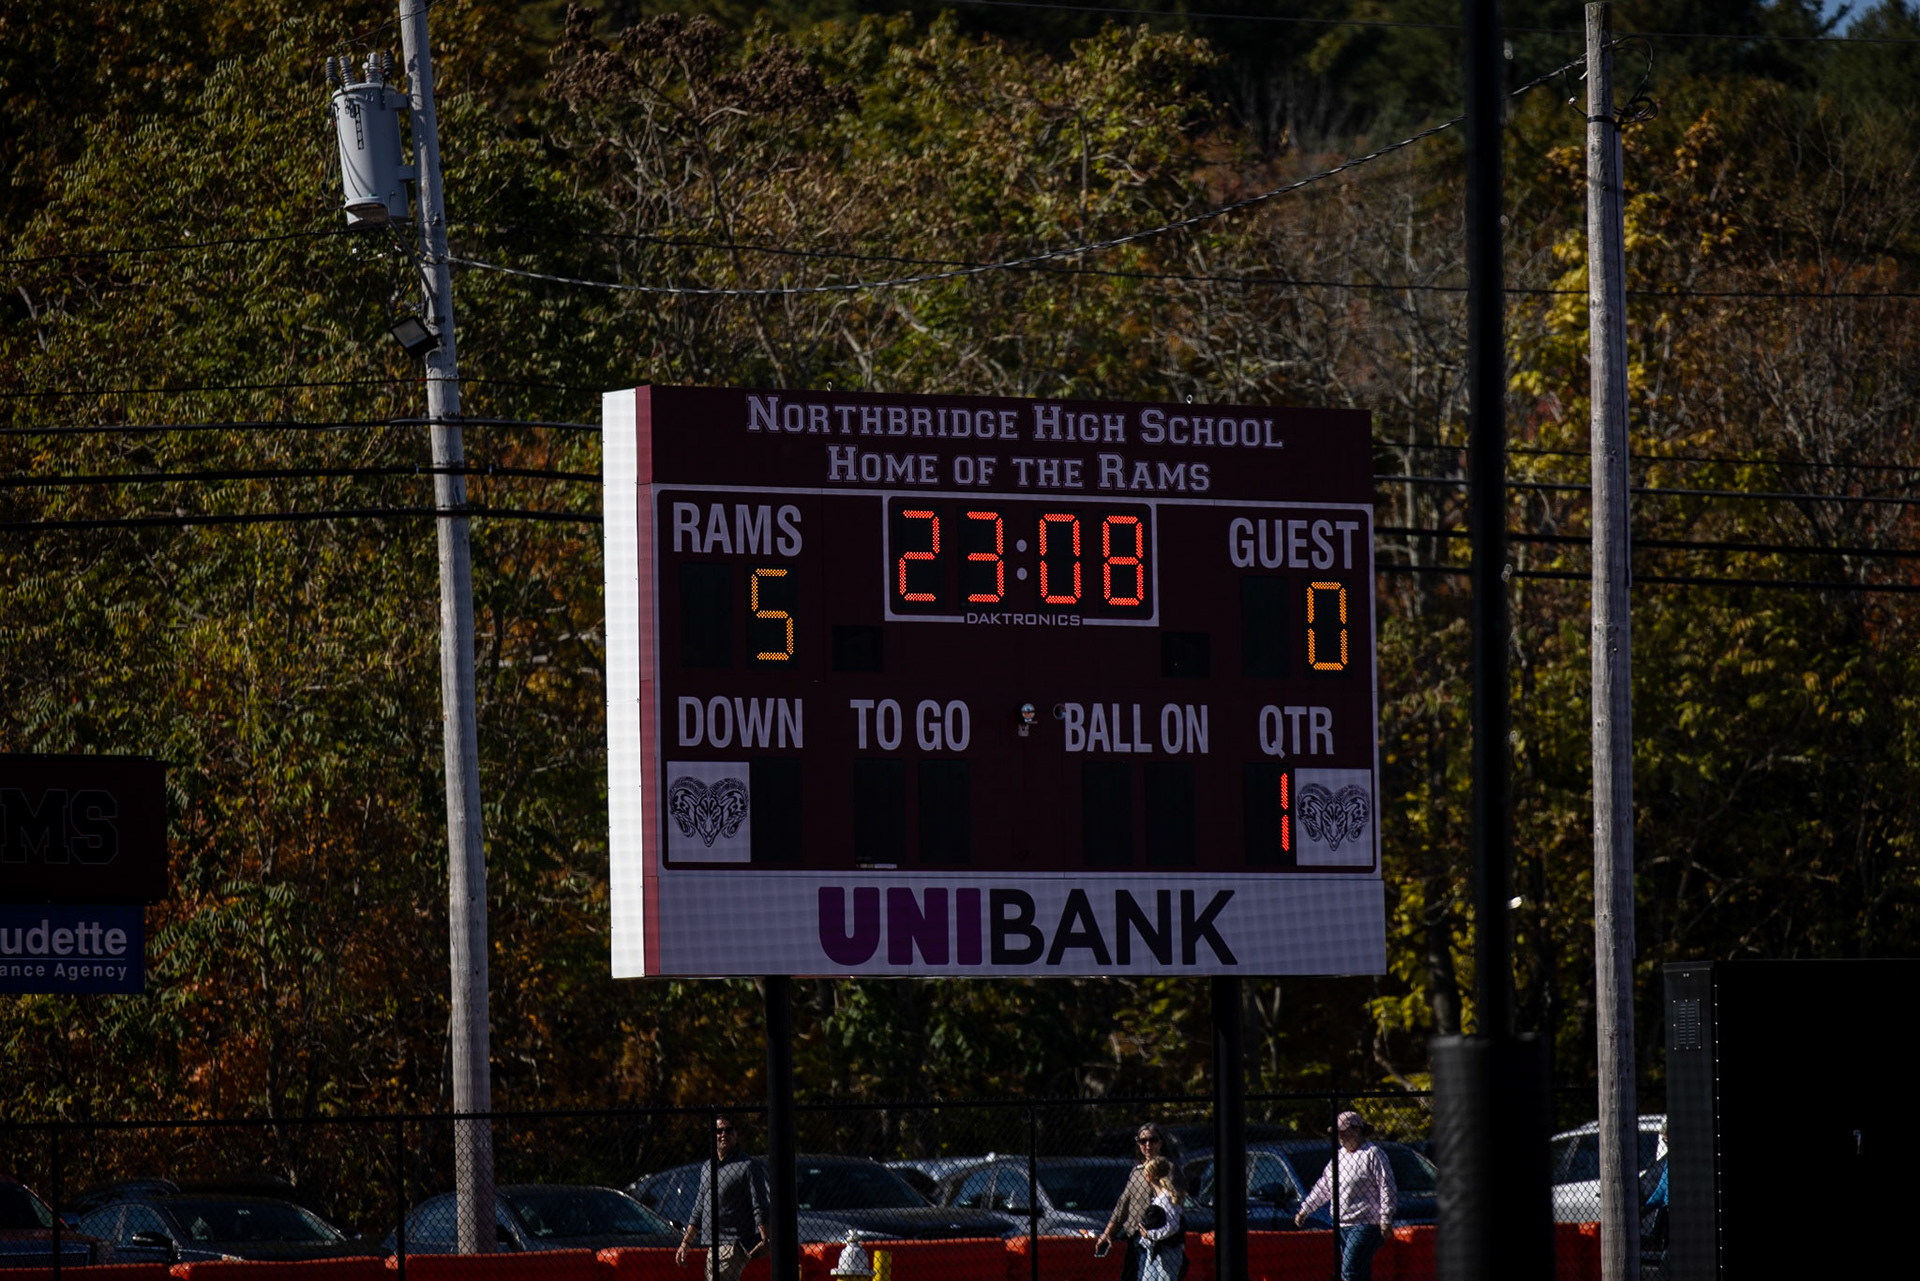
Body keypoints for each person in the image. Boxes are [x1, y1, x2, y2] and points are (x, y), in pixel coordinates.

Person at [1294, 1111, 1396, 1281]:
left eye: (1343, 1132)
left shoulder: (1372, 1154)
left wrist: (1386, 1219)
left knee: (1349, 1271)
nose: (1339, 1137)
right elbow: (1325, 1186)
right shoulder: (1339, 1157)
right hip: (1341, 1224)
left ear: (1357, 1130)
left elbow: (1387, 1186)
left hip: (1366, 1223)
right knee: (1360, 1271)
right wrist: (1305, 1210)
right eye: (1337, 1133)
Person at [676, 1114, 770, 1281]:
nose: (723, 1135)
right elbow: (699, 1209)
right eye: (719, 1131)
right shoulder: (707, 1167)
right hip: (713, 1243)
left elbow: (759, 1205)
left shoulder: (747, 1166)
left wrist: (765, 1238)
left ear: (736, 1134)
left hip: (735, 1242)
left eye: (728, 1130)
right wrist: (686, 1243)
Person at [1098, 1122, 1185, 1281]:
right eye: (1142, 1141)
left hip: (1158, 1241)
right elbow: (1122, 1206)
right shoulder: (1137, 1171)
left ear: (1161, 1142)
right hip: (1135, 1238)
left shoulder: (1168, 1169)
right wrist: (1108, 1233)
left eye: (1152, 1140)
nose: (1147, 1145)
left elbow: (1176, 1201)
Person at [1135, 1157, 1185, 1281]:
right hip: (1155, 1250)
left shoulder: (1166, 1198)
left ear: (1149, 1177)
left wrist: (1150, 1234)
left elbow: (1173, 1226)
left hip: (1167, 1251)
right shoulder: (1159, 1198)